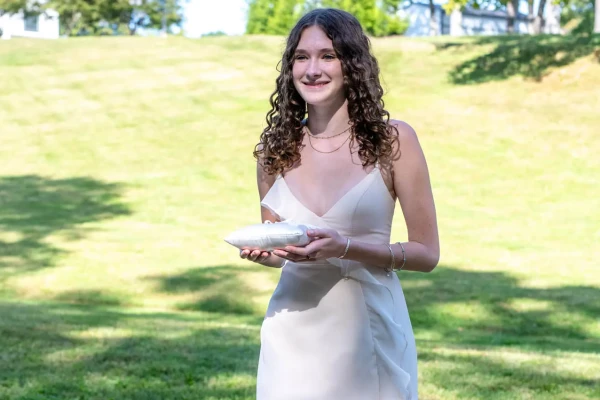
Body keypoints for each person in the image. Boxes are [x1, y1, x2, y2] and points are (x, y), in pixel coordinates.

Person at [240, 8, 439, 400]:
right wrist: (267, 254)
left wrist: (345, 247)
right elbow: (281, 249)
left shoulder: (393, 141)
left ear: (352, 64)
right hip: (291, 331)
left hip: (368, 329)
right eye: (301, 57)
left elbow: (427, 253)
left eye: (327, 55)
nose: (312, 69)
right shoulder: (273, 152)